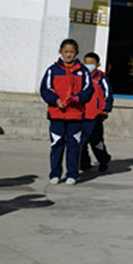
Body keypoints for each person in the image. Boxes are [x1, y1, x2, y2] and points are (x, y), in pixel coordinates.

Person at [40, 38, 93, 184]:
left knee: (73, 145)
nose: (68, 54)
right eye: (66, 51)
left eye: (71, 52)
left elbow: (89, 90)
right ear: (61, 52)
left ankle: (72, 174)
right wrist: (55, 100)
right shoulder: (53, 70)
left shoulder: (83, 71)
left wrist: (78, 98)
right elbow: (45, 89)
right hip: (57, 115)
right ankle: (55, 174)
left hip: (75, 115)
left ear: (76, 53)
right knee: (57, 144)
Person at [80, 52, 113, 173]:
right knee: (81, 141)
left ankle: (104, 159)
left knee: (96, 141)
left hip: (96, 114)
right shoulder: (80, 76)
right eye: (86, 62)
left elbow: (108, 94)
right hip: (81, 114)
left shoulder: (100, 78)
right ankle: (84, 162)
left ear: (97, 64)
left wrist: (106, 109)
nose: (88, 65)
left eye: (91, 63)